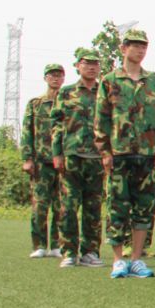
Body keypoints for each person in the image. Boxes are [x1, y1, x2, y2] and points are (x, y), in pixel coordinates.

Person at [94, 27, 155, 279]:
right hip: (119, 153)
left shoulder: (154, 81)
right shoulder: (110, 81)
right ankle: (118, 259)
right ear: (123, 48)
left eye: (143, 46)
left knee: (144, 208)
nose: (140, 50)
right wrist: (105, 151)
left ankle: (136, 258)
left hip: (147, 154)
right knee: (117, 207)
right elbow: (101, 118)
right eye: (135, 45)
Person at [51, 48, 106, 268]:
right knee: (69, 207)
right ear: (77, 66)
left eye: (95, 63)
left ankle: (90, 252)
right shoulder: (66, 93)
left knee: (93, 207)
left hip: (97, 157)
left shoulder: (105, 91)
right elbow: (56, 124)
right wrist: (57, 153)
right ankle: (69, 252)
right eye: (86, 63)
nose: (91, 67)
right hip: (72, 156)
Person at [21, 63, 66, 258]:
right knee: (40, 204)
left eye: (59, 75)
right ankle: (39, 245)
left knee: (61, 205)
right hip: (41, 161)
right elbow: (27, 132)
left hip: (63, 161)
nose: (55, 78)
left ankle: (56, 245)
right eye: (52, 75)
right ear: (45, 78)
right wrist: (27, 158)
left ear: (63, 78)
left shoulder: (68, 101)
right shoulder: (36, 103)